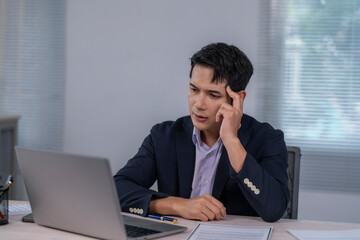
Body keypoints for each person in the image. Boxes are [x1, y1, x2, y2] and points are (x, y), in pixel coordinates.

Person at [114, 42, 289, 223]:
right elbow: (117, 188)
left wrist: (231, 141)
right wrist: (177, 205)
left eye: (213, 95)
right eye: (194, 89)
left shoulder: (267, 139)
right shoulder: (164, 136)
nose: (198, 104)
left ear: (238, 99)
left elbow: (274, 209)